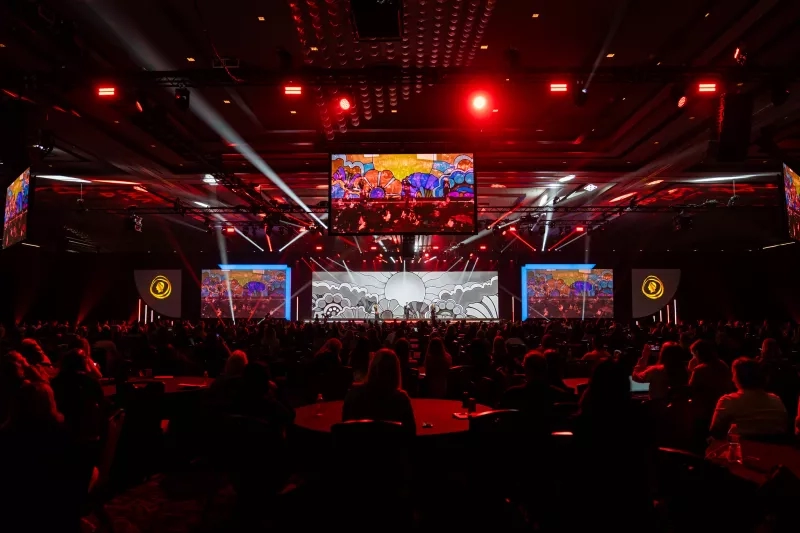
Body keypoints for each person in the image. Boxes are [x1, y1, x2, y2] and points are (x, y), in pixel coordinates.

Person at [710, 357, 788, 438]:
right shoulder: (776, 400)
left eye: (733, 374)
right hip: (773, 449)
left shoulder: (728, 401)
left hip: (741, 449)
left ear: (737, 377)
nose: (732, 379)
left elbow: (715, 432)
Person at [342, 349, 416, 433]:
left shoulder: (353, 395)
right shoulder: (402, 400)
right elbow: (411, 433)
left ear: (372, 368)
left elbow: (345, 429)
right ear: (395, 372)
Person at [688, 339, 733, 420]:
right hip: (723, 407)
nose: (693, 358)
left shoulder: (699, 370)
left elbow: (691, 390)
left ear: (697, 353)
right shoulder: (723, 364)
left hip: (704, 410)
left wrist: (691, 371)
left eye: (693, 355)